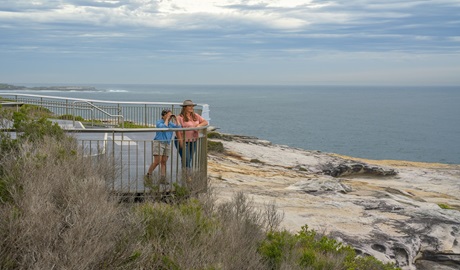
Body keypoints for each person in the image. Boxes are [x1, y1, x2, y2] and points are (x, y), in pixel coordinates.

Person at [146, 109, 180, 184]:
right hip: (159, 143)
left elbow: (179, 128)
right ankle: (149, 174)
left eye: (170, 115)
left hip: (167, 143)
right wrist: (167, 119)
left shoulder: (171, 123)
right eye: (168, 115)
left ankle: (163, 179)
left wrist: (176, 119)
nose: (170, 117)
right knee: (157, 161)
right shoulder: (159, 122)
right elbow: (164, 128)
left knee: (164, 162)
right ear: (163, 115)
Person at [175, 99, 208, 170]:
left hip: (193, 141)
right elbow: (177, 130)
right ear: (184, 107)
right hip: (183, 141)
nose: (191, 107)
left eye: (192, 106)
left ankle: (185, 174)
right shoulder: (179, 118)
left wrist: (198, 126)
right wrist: (181, 143)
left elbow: (205, 122)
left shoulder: (196, 116)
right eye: (189, 106)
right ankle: (188, 177)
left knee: (188, 159)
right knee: (186, 159)